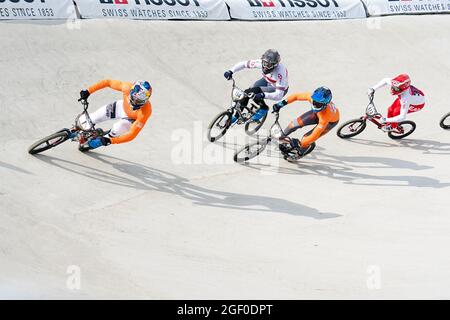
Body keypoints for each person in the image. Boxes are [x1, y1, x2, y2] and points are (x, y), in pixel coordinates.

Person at [77, 79, 152, 151]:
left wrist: (110, 141)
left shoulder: (146, 112)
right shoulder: (127, 87)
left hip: (130, 119)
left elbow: (132, 135)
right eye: (134, 98)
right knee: (93, 118)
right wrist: (88, 91)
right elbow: (108, 82)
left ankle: (99, 141)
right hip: (120, 107)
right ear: (131, 91)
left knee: (117, 129)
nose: (135, 102)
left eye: (138, 101)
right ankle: (78, 127)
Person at [224, 49, 289, 123]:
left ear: (275, 65)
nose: (265, 67)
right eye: (264, 63)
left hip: (276, 88)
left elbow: (279, 95)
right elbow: (244, 64)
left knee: (253, 93)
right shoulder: (261, 62)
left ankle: (263, 108)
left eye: (269, 65)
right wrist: (230, 71)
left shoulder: (280, 73)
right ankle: (237, 115)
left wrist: (263, 95)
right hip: (267, 80)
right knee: (247, 93)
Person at [272, 86, 340, 156]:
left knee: (306, 139)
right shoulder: (313, 97)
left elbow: (314, 135)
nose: (315, 104)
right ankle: (282, 137)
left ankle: (300, 153)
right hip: (317, 114)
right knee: (293, 124)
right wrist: (280, 104)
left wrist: (300, 144)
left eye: (318, 104)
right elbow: (296, 96)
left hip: (329, 122)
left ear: (325, 104)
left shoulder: (326, 117)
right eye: (314, 101)